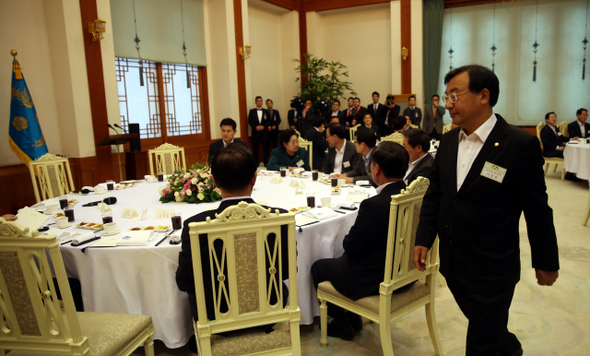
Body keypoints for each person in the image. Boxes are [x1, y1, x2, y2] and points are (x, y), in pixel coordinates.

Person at [414, 64, 559, 356]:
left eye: (455, 94)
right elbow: (436, 194)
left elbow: (537, 209)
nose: (448, 104)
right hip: (453, 262)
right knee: (489, 329)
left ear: (484, 96)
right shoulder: (448, 140)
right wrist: (423, 237)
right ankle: (508, 347)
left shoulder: (519, 144)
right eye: (446, 96)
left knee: (480, 342)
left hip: (493, 266)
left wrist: (546, 260)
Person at [176, 143, 291, 323]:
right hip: (270, 308)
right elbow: (287, 271)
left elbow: (184, 282)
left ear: (214, 181)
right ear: (254, 178)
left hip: (215, 315)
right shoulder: (280, 218)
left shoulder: (195, 226)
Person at [312, 141, 409, 341]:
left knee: (319, 267)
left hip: (374, 278)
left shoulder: (375, 205)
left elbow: (351, 245)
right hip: (403, 272)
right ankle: (352, 317)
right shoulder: (410, 194)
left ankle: (341, 323)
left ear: (376, 169)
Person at [248, 96, 269, 165]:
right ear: (255, 102)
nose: (259, 102)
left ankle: (266, 161)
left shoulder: (266, 111)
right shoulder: (252, 111)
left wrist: (264, 126)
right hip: (255, 132)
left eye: (260, 101)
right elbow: (249, 121)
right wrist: (255, 127)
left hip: (264, 132)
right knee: (255, 147)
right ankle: (256, 162)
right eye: (258, 101)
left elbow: (269, 121)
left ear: (262, 102)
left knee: (265, 147)